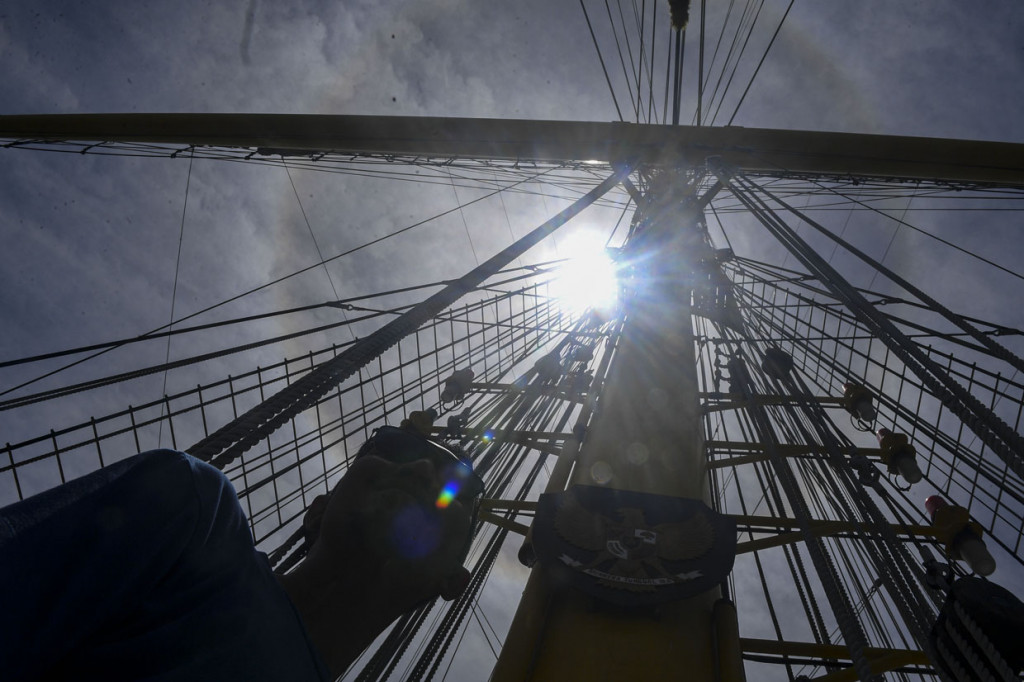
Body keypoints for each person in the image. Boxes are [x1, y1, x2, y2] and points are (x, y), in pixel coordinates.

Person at [0, 424, 484, 681]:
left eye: (456, 489)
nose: (423, 470)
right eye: (393, 449)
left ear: (454, 582)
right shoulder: (192, 515)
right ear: (317, 511)